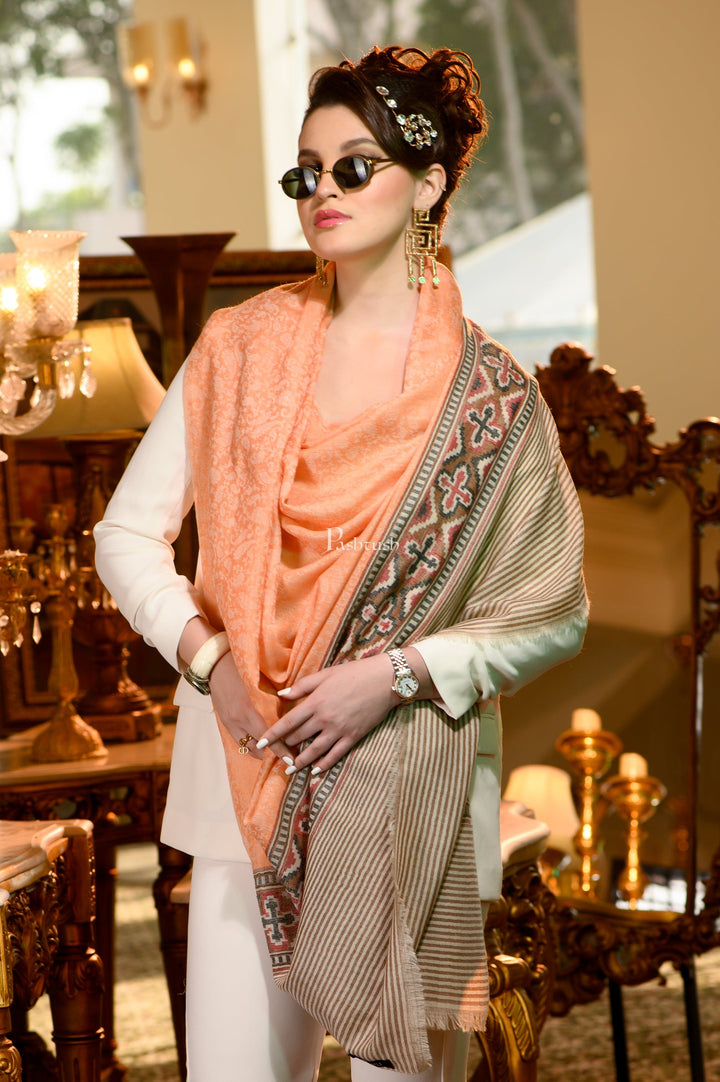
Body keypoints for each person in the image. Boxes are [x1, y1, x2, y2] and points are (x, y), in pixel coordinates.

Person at [94, 45, 587, 1082]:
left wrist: (395, 674)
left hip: (409, 784)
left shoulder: (492, 398)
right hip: (245, 767)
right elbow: (125, 535)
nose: (324, 190)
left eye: (355, 167)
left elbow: (550, 609)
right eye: (307, 171)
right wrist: (213, 663)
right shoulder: (236, 350)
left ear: (430, 184)